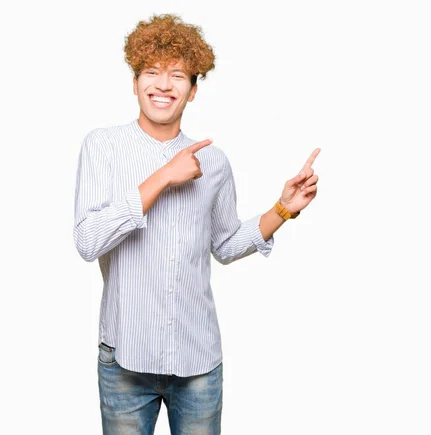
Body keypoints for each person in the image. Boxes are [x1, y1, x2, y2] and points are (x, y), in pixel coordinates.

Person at [73, 13, 320, 434]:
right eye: (151, 73)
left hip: (198, 362)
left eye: (177, 76)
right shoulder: (103, 147)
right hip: (126, 360)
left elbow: (224, 245)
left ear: (193, 91)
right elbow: (88, 240)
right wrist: (163, 177)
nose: (163, 85)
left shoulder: (214, 162)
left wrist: (281, 209)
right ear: (134, 83)